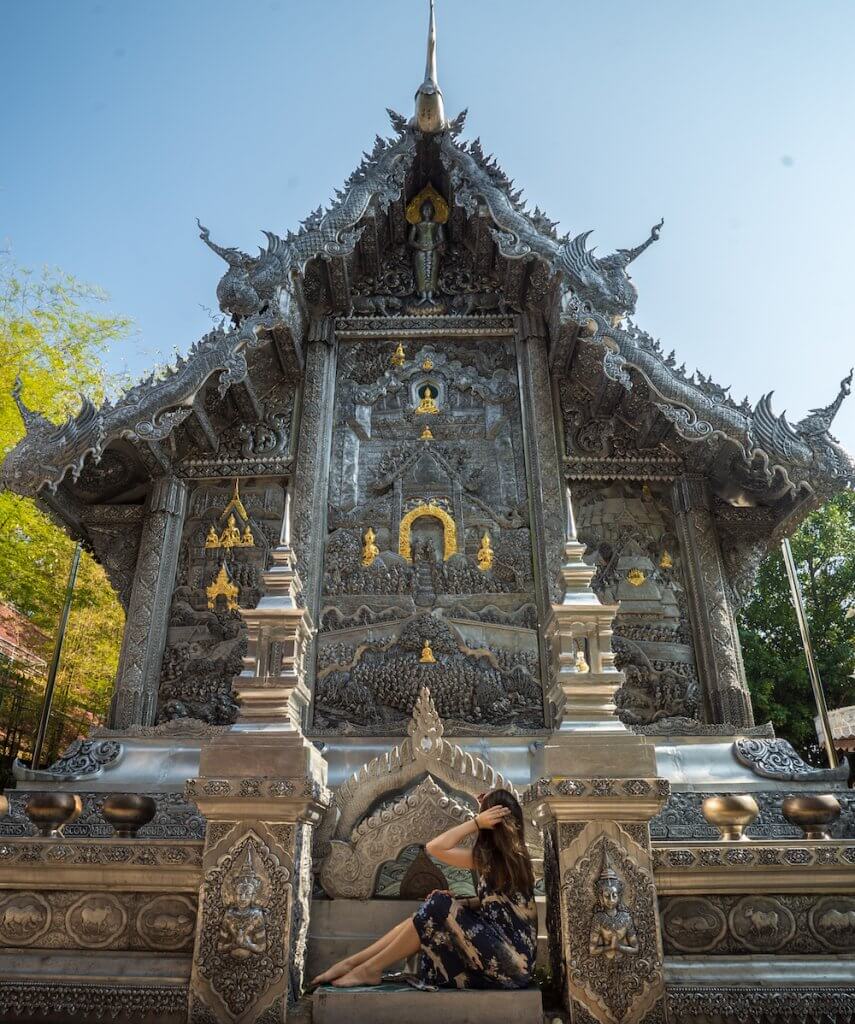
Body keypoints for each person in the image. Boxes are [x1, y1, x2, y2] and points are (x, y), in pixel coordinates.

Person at [311, 788, 537, 989]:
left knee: (438, 906)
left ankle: (367, 969)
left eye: (483, 817)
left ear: (491, 823)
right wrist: (462, 904)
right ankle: (355, 963)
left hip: (512, 964)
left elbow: (435, 847)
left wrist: (475, 822)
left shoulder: (500, 860)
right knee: (432, 909)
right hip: (500, 955)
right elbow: (497, 905)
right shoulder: (509, 858)